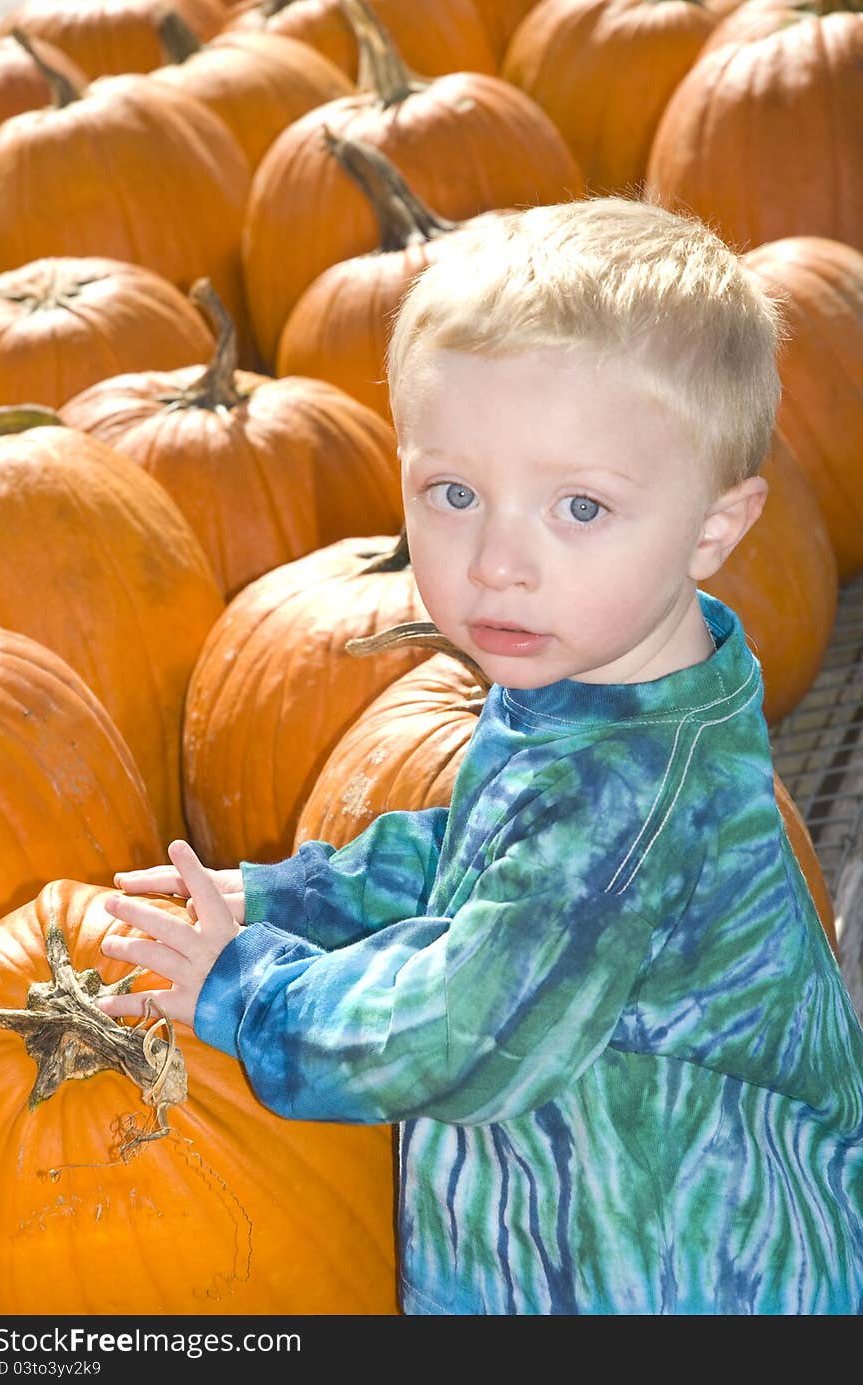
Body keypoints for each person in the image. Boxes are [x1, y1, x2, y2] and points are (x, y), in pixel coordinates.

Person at [97, 196, 863, 1316]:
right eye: (453, 493)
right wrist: (284, 894)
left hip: (659, 1273)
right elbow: (472, 854)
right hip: (581, 1211)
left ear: (714, 526)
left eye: (580, 507)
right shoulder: (612, 682)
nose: (498, 560)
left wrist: (245, 984)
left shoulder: (627, 802)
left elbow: (465, 1028)